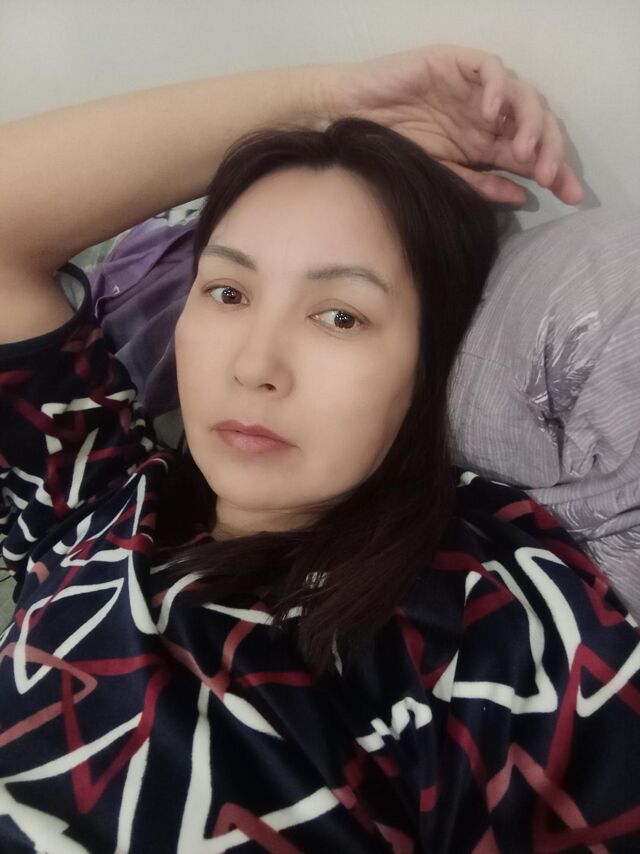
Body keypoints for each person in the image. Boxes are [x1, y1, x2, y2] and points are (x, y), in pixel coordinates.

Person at [0, 42, 637, 853]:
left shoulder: (488, 625)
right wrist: (322, 95)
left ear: (432, 362)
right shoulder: (99, 499)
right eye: (227, 291)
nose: (254, 367)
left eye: (341, 316)